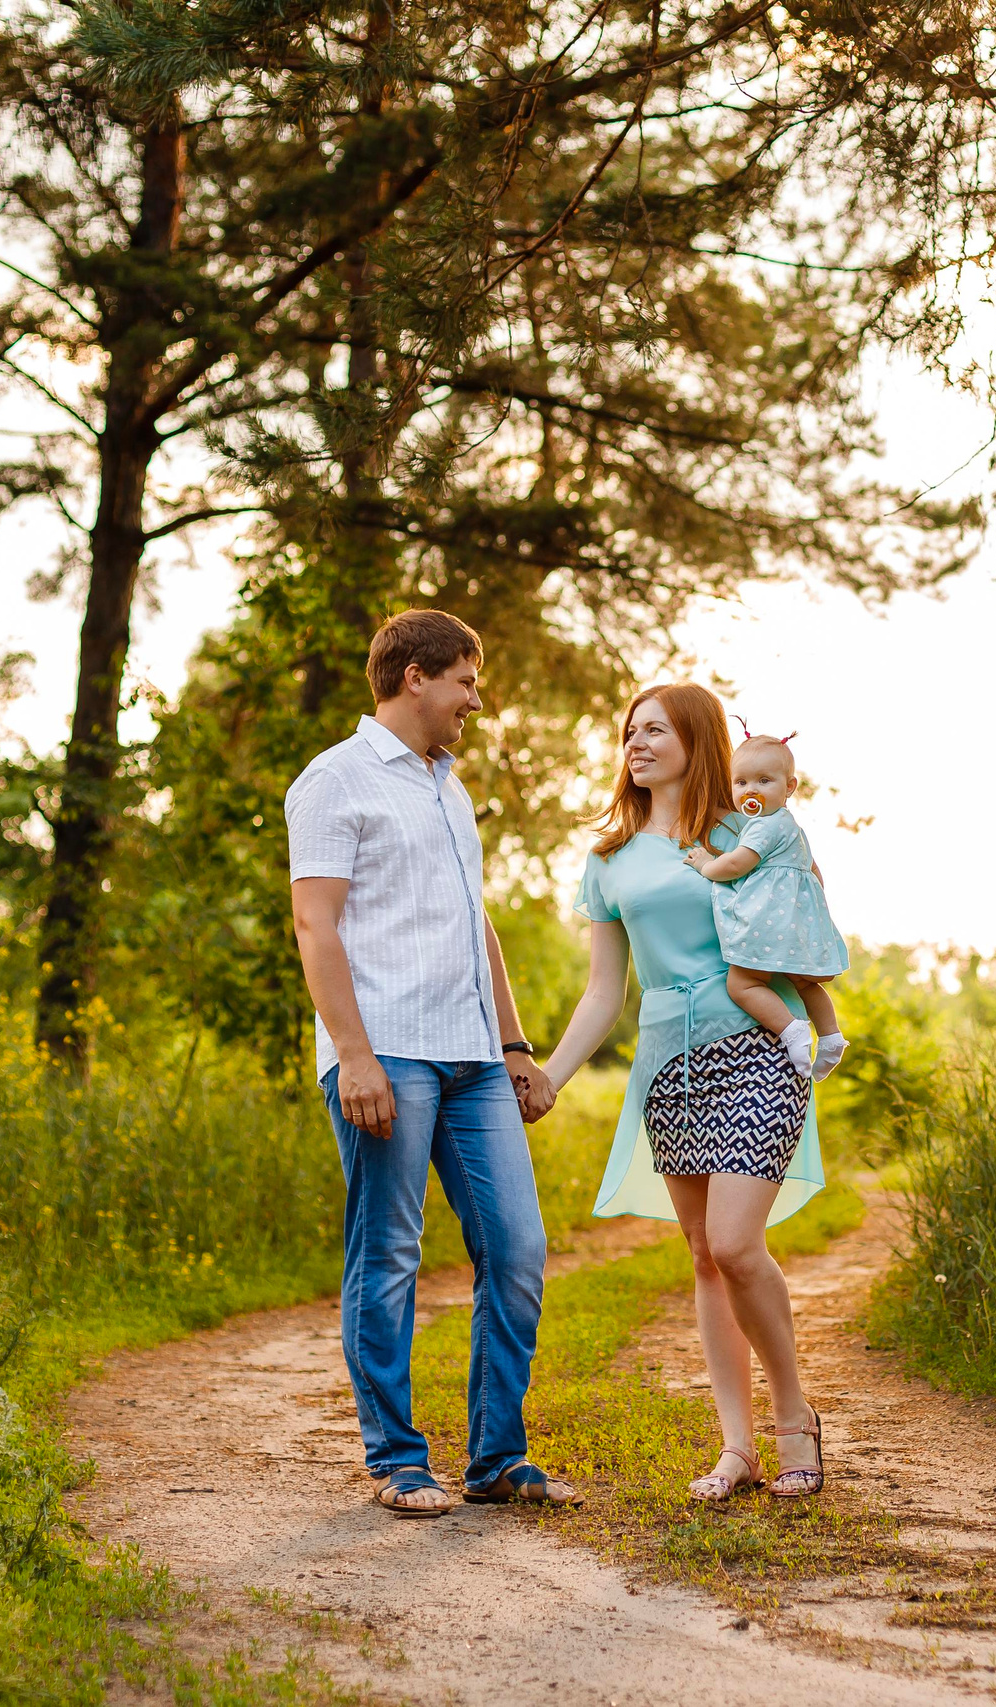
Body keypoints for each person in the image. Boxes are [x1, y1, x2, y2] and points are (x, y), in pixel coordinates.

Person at [285, 609, 581, 1518]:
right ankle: (399, 1460)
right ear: (414, 675)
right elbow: (315, 923)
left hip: (472, 1057)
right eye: (465, 679)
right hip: (388, 1054)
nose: (475, 700)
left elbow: (473, 920)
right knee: (389, 1252)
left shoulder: (449, 786)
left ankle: (496, 1457)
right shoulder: (334, 781)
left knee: (519, 1248)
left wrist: (515, 1042)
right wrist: (355, 1055)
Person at [539, 684, 829, 1503]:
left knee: (738, 1244)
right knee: (703, 1255)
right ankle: (736, 1449)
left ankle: (796, 1418)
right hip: (669, 1062)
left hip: (758, 1049)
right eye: (628, 730)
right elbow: (604, 993)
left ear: (696, 739)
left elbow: (803, 934)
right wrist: (551, 1079)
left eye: (654, 729)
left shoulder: (754, 832)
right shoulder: (609, 859)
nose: (635, 742)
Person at [682, 727, 851, 1079]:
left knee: (741, 983)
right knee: (805, 982)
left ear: (789, 787)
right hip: (797, 922)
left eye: (763, 781)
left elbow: (735, 864)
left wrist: (704, 865)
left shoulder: (762, 826)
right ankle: (832, 1036)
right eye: (741, 783)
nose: (751, 791)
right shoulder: (792, 826)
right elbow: (815, 872)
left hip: (768, 922)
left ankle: (792, 1030)